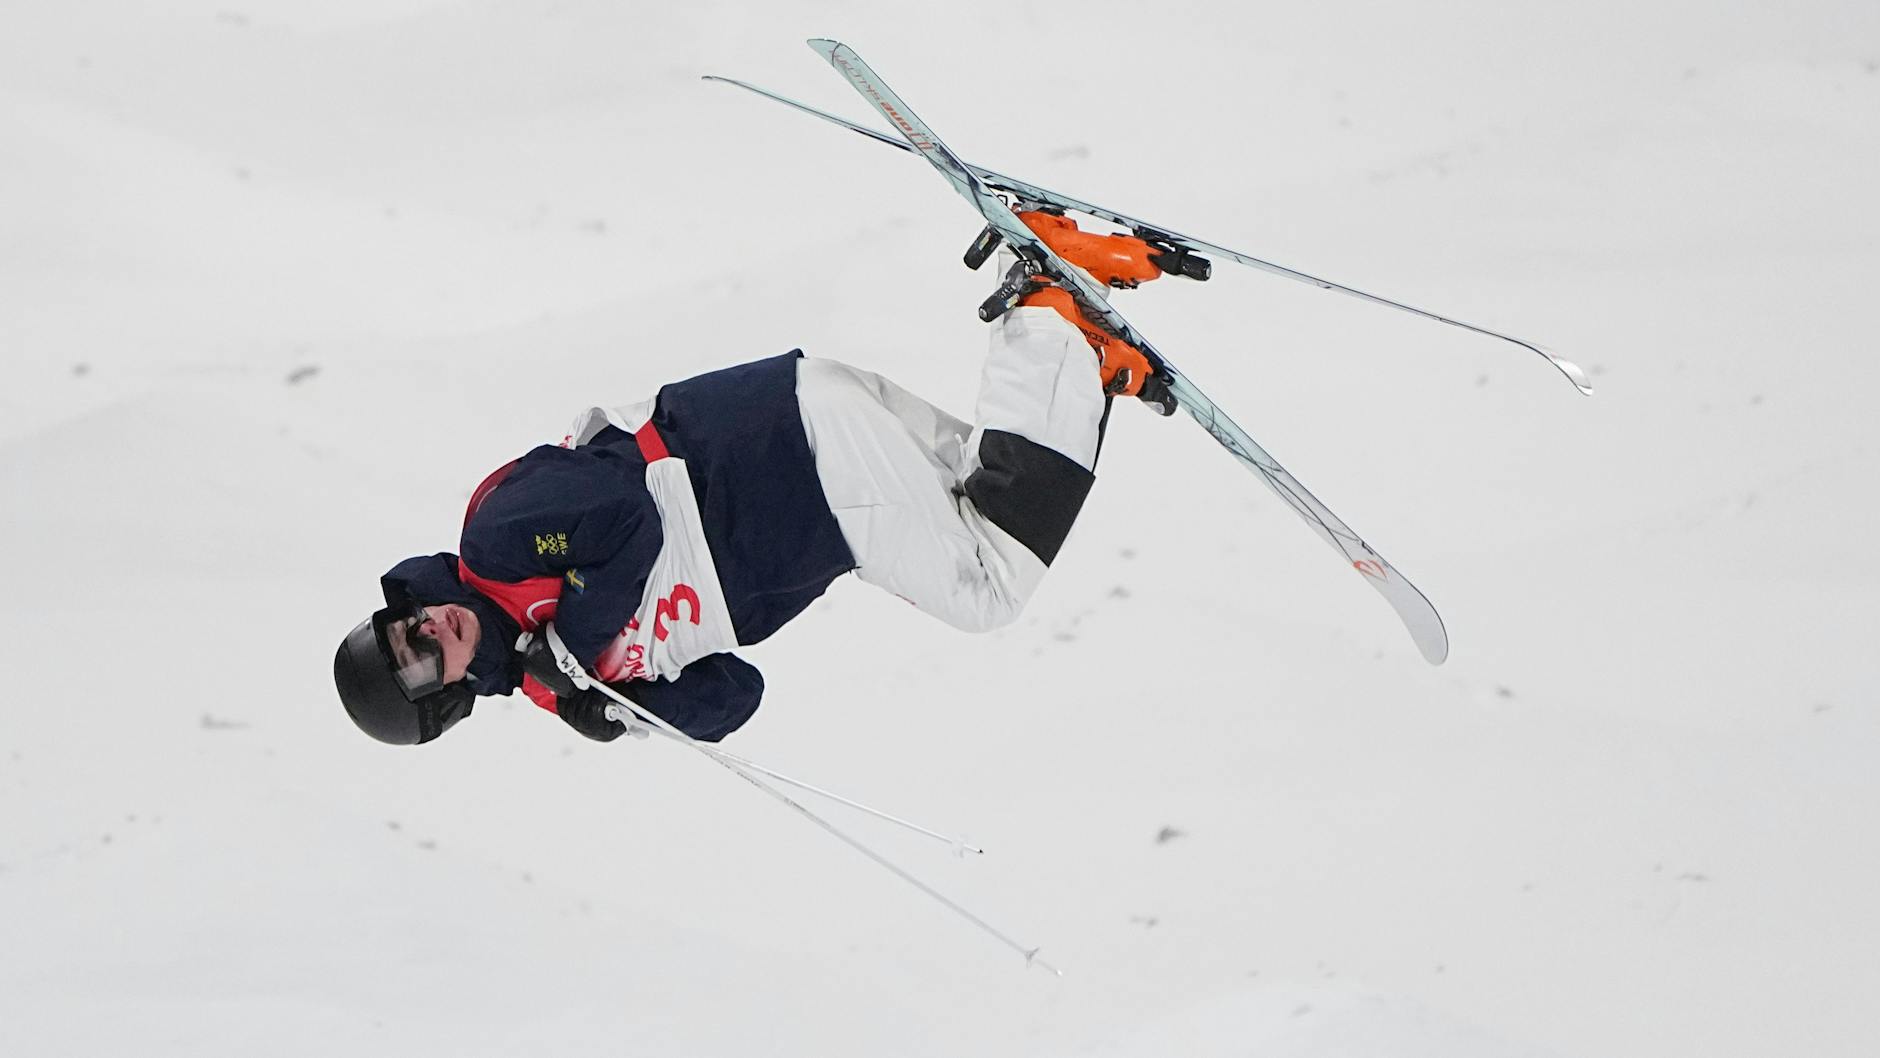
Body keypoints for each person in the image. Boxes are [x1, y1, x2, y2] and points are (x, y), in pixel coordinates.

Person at [333, 244, 1159, 747]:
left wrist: (582, 644)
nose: (428, 629)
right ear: (449, 697)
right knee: (988, 491)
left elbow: (627, 512)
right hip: (811, 454)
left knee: (986, 585)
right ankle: (1060, 330)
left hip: (794, 468)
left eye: (405, 626)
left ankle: (1056, 320)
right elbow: (735, 695)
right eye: (420, 657)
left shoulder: (499, 545)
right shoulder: (558, 672)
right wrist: (625, 711)